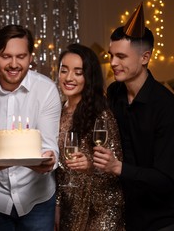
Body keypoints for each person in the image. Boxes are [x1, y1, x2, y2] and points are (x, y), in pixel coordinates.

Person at [93, 3, 174, 230]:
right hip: (129, 212)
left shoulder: (169, 107)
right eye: (111, 55)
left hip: (164, 217)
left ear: (145, 57)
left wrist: (117, 168)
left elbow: (165, 178)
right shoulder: (115, 93)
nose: (113, 63)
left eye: (121, 56)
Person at [0, 24, 61, 230]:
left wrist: (49, 159)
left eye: (21, 56)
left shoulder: (47, 90)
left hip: (37, 197)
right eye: (6, 56)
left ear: (30, 57)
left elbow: (50, 146)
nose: (14, 64)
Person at [54, 43, 124, 231]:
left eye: (78, 72)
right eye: (64, 70)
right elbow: (59, 171)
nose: (69, 78)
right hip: (70, 207)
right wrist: (58, 204)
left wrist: (90, 165)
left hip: (101, 208)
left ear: (89, 76)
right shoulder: (57, 112)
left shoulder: (101, 115)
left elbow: (116, 165)